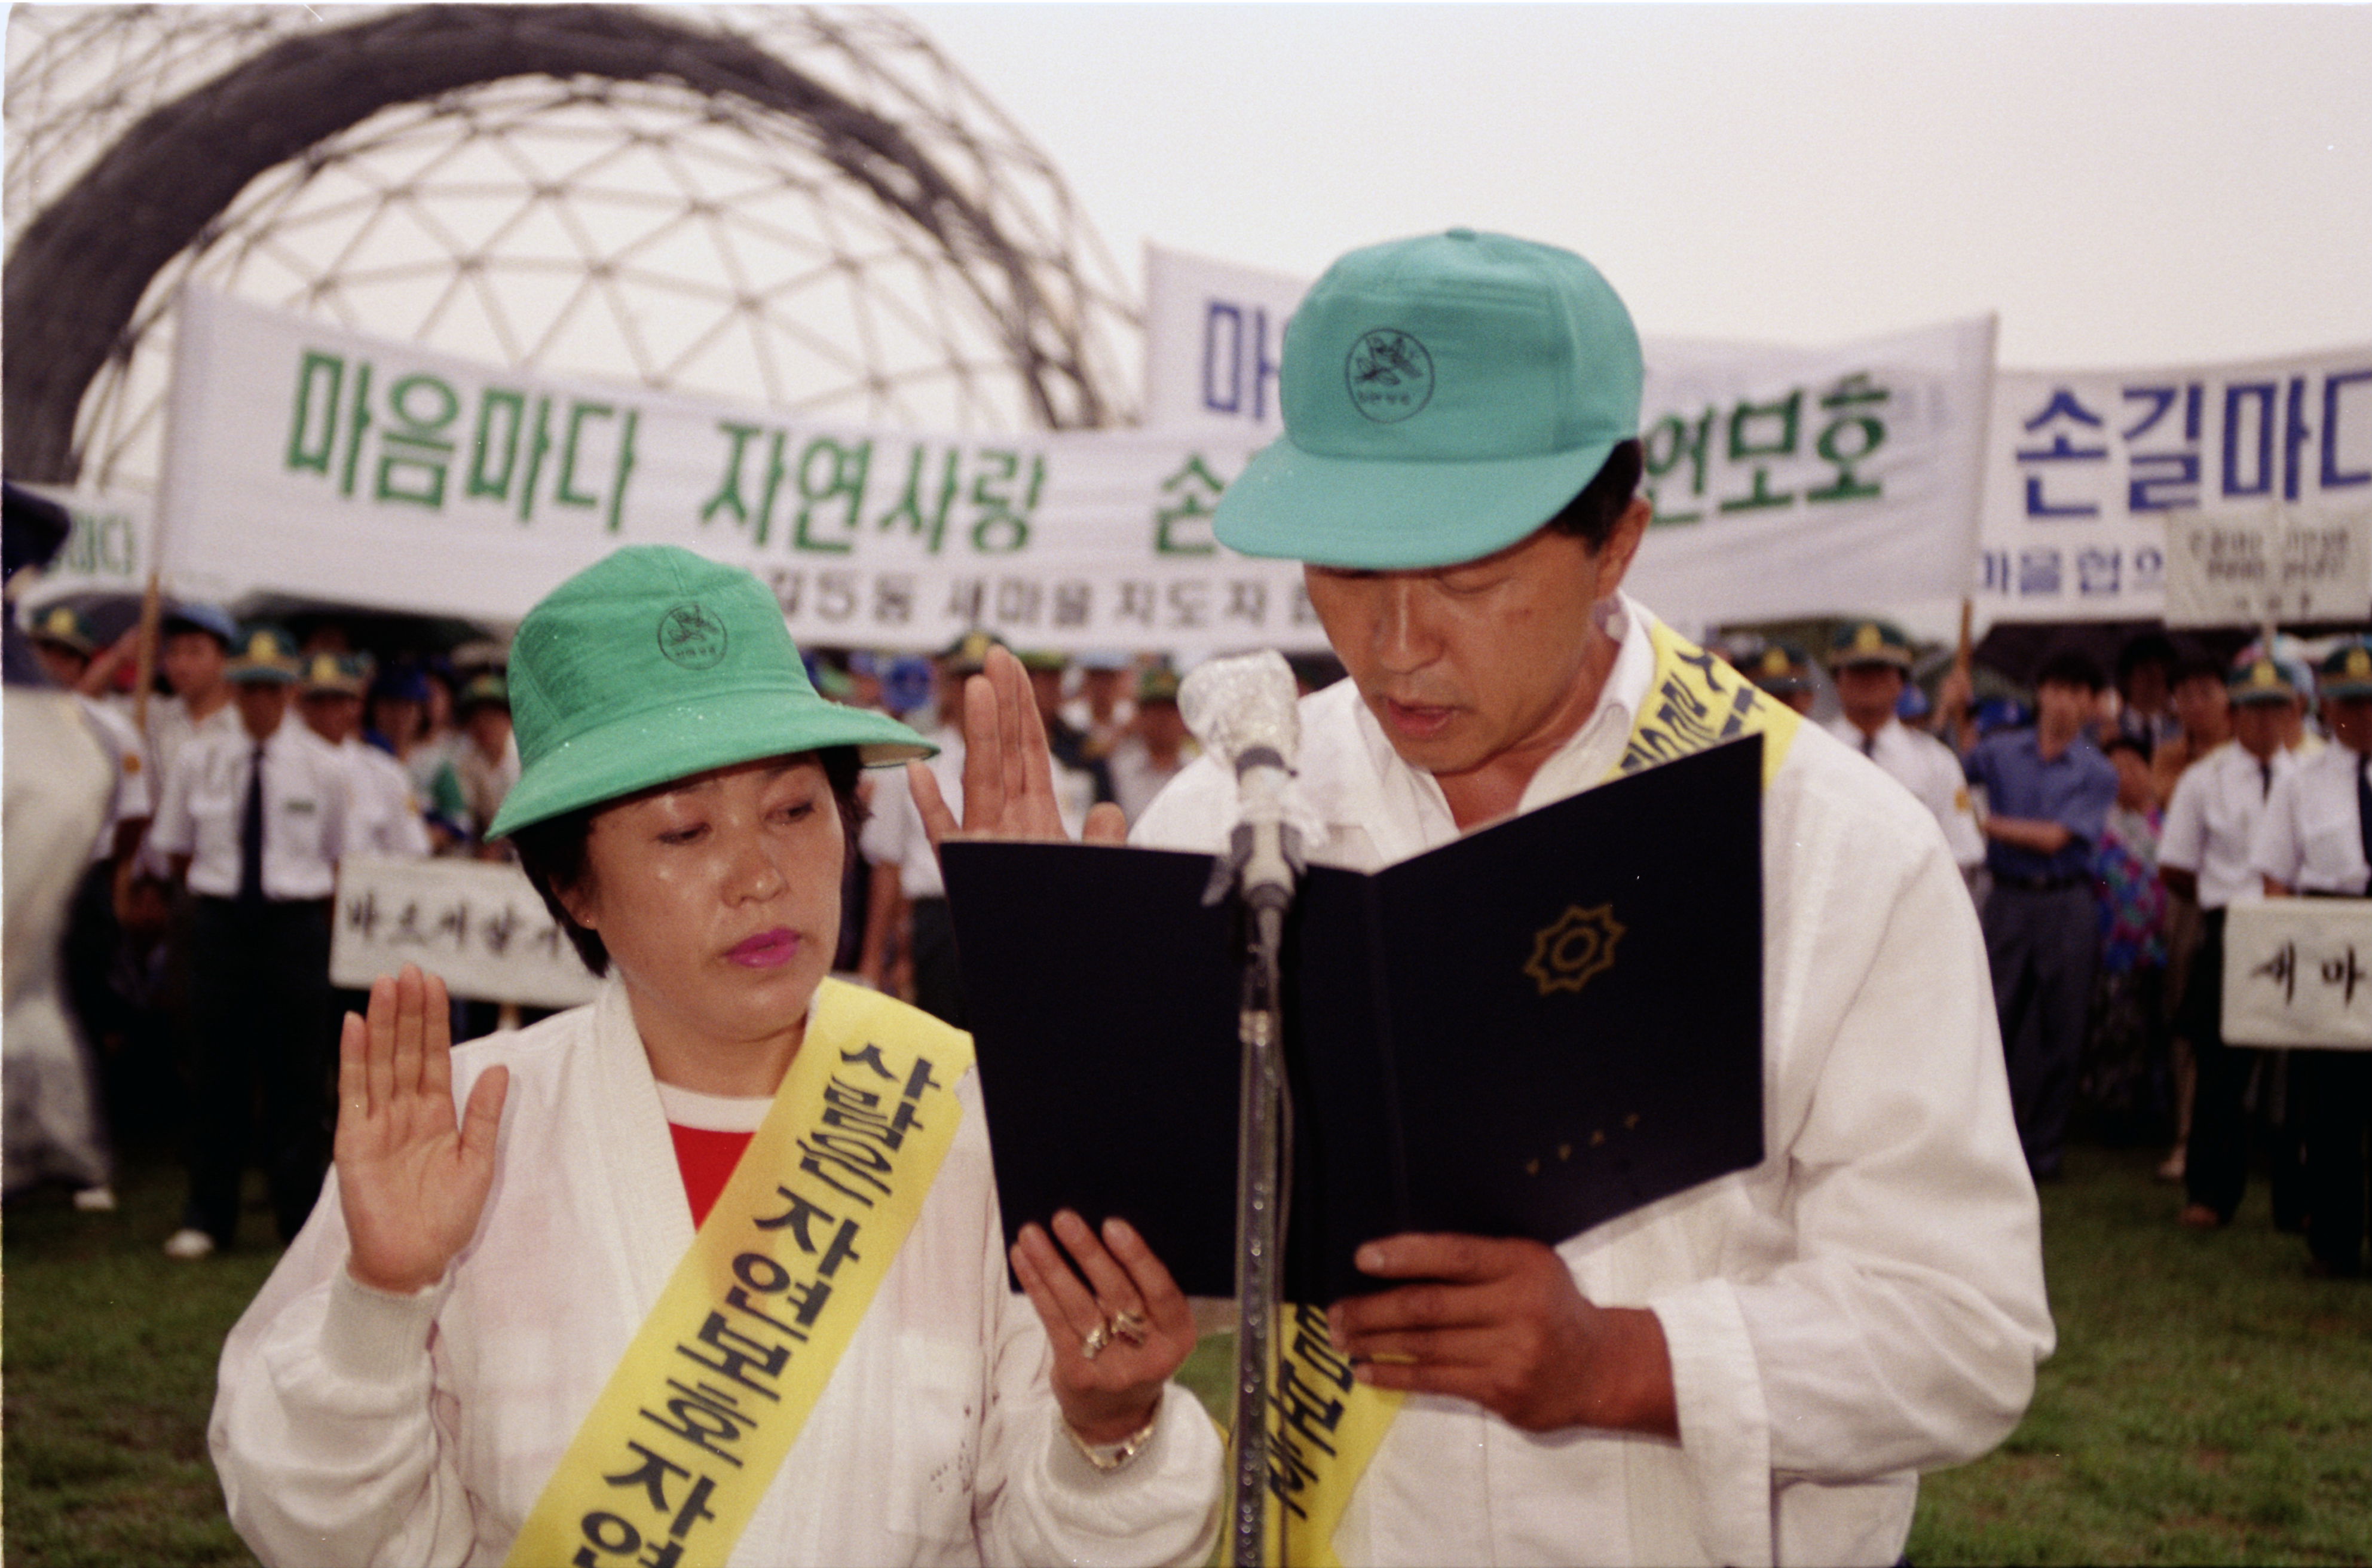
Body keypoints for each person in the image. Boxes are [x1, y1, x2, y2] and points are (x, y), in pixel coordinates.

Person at [922, 229, 2049, 1566]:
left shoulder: (1822, 842)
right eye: (1344, 571)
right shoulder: (1232, 812)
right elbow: (1165, 1302)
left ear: (1616, 538)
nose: (1396, 647)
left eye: (1468, 578)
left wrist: (1618, 1363)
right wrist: (1084, 1094)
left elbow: (1964, 1330)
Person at [210, 546, 1221, 1565]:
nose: (758, 874)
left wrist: (1107, 1428)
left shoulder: (969, 1109)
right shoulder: (463, 1131)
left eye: (793, 809)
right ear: (574, 885)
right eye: (685, 829)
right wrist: (381, 1303)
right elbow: (322, 1524)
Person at [147, 626, 351, 1259]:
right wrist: (225, 898)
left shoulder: (326, 765)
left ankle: (299, 1222)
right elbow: (178, 849)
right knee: (216, 1070)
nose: (260, 700)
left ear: (289, 692)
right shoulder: (199, 756)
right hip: (220, 925)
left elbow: (337, 860)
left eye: (272, 688)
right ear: (233, 691)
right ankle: (207, 1216)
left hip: (292, 928)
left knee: (296, 1076)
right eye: (249, 688)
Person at [1964, 649, 2120, 1180]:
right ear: (2041, 693)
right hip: (2006, 898)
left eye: (2079, 692)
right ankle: (1984, 1144)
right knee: (1994, 1019)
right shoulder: (1999, 751)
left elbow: (2056, 838)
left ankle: (2043, 1151)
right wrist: (1952, 711)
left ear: (2092, 704)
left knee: (2062, 1026)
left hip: (2065, 900)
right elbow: (1952, 780)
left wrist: (1987, 825)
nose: (2065, 701)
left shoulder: (2096, 771)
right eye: (2057, 688)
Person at [2158, 654, 2297, 1230]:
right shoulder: (2202, 778)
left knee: (2302, 1072)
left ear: (2293, 714)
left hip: (2299, 927)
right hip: (2231, 925)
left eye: (2275, 710)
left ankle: (2301, 1199)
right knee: (2218, 1068)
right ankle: (2211, 1193)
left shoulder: (2311, 776)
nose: (2264, 723)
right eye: (2252, 711)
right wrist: (2228, 900)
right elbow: (2175, 865)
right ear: (2233, 715)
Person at [2250, 637, 2372, 1278]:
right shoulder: (2301, 783)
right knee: (2332, 1103)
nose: (2361, 714)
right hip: (2331, 936)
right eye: (2348, 702)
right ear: (2324, 705)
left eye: (2370, 700)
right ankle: (2334, 1238)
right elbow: (2275, 874)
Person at [1824, 617, 1983, 877]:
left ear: (1901, 681)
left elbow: (1963, 850)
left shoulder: (1936, 762)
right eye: (1858, 670)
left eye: (1881, 669)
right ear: (1837, 679)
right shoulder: (1810, 752)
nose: (1869, 680)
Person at [2085, 734, 2168, 1140]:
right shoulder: (2095, 826)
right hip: (2113, 946)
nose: (2125, 776)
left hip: (2162, 945)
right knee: (2116, 1029)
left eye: (2134, 765)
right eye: (2114, 768)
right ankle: (2112, 1113)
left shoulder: (2168, 823)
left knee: (2160, 1029)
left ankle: (2156, 1111)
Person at [1104, 664, 1194, 825]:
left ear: (1185, 717)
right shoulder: (1117, 770)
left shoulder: (1197, 771)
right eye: (1154, 709)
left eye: (1170, 710)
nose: (1163, 719)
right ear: (1139, 716)